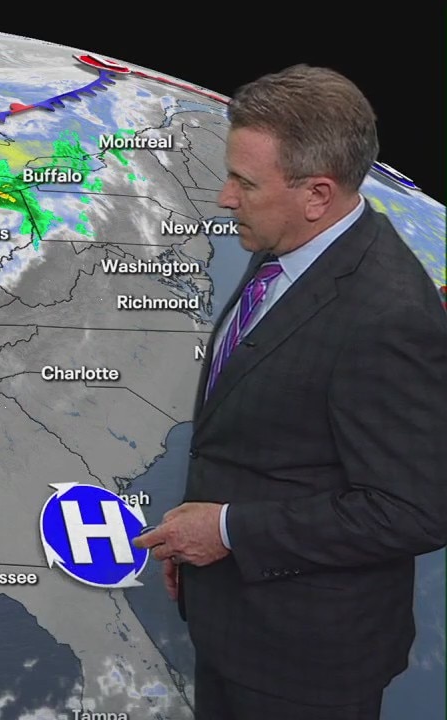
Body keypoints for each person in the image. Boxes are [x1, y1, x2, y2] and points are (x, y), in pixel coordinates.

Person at [133, 65, 447, 720]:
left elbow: (414, 510)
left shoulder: (387, 315)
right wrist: (200, 544)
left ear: (317, 194)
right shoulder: (289, 244)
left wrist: (226, 531)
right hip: (236, 627)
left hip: (305, 670)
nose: (225, 198)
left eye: (245, 183)